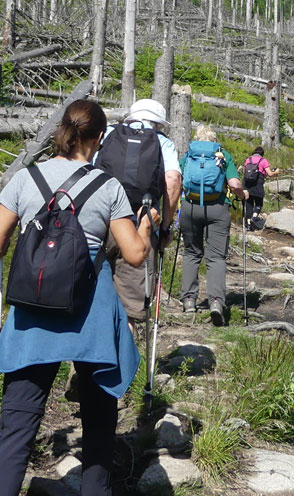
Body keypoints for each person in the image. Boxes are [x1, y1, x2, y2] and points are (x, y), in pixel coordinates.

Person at [0, 100, 158, 496]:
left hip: (33, 318)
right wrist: (147, 223)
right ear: (97, 140)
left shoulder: (26, 179)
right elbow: (134, 254)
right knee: (97, 410)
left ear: (62, 133)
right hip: (87, 317)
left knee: (15, 426)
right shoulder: (108, 187)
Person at [94, 98, 181, 326]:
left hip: (100, 221)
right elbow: (172, 181)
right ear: (159, 124)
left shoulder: (107, 134)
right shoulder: (162, 142)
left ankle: (86, 359)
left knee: (90, 301)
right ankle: (123, 358)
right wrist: (165, 226)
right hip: (139, 224)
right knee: (129, 309)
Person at [179, 124, 248, 325]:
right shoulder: (222, 154)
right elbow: (234, 184)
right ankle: (216, 302)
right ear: (214, 139)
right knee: (216, 257)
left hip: (190, 207)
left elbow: (178, 178)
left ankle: (189, 300)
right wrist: (242, 194)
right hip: (217, 208)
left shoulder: (189, 155)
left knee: (191, 253)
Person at [241, 145, 279, 229]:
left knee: (249, 204)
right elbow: (269, 173)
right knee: (259, 203)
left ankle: (248, 225)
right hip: (257, 184)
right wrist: (276, 172)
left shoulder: (248, 159)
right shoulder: (263, 160)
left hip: (247, 184)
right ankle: (254, 218)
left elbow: (244, 171)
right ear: (262, 154)